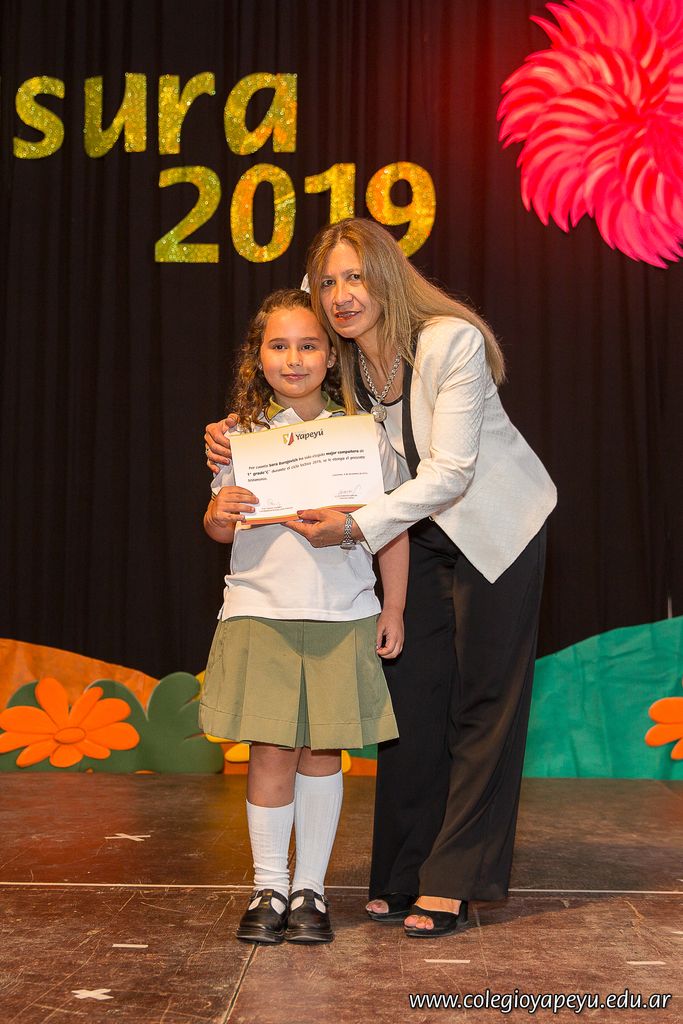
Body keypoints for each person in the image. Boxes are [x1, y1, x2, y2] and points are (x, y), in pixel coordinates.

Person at [205, 220, 557, 939]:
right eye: (328, 282)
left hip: (494, 529)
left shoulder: (449, 342)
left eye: (355, 277)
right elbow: (292, 389)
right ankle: (403, 872)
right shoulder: (345, 362)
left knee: (482, 704)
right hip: (412, 531)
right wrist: (238, 430)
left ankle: (454, 882)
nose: (340, 295)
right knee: (414, 698)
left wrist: (354, 528)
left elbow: (451, 473)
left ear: (388, 278)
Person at [200, 286, 408, 946]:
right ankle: (268, 887)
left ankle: (309, 891)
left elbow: (393, 528)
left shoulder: (365, 435)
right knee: (269, 752)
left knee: (323, 753)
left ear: (331, 355)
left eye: (309, 345)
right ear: (257, 357)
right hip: (259, 613)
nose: (294, 359)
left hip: (342, 615)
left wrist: (393, 606)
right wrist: (217, 512)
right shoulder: (237, 438)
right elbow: (220, 528)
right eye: (279, 345)